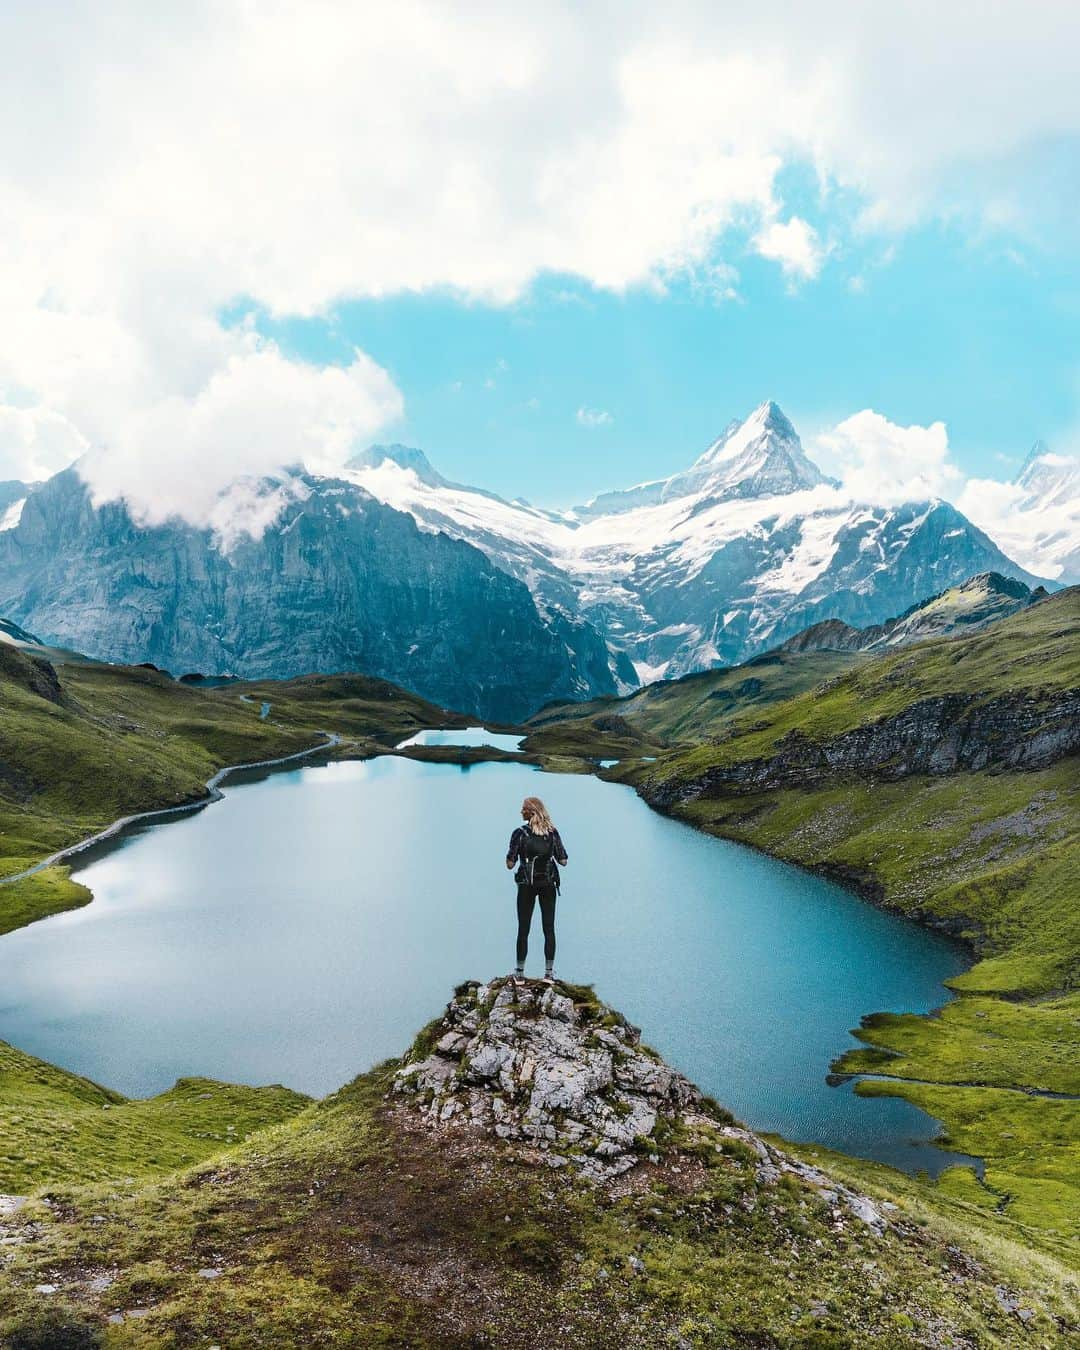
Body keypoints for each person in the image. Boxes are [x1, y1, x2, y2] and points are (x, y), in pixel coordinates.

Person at [506, 795, 568, 981]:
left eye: (523, 808)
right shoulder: (552, 833)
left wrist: (517, 856)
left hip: (526, 885)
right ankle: (549, 974)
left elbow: (510, 864)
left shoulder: (519, 833)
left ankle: (519, 973)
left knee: (523, 928)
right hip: (548, 884)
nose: (520, 811)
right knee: (548, 928)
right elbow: (563, 861)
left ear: (530, 811)